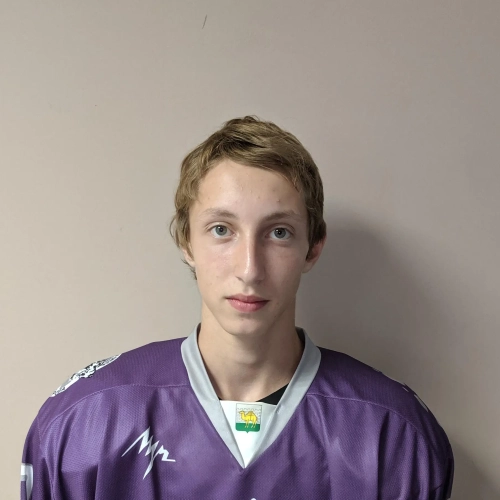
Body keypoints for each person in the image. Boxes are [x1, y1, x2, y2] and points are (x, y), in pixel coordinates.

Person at [21, 116, 454, 499]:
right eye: (221, 229)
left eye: (279, 232)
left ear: (313, 247)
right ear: (186, 241)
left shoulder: (394, 434)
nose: (249, 269)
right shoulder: (85, 422)